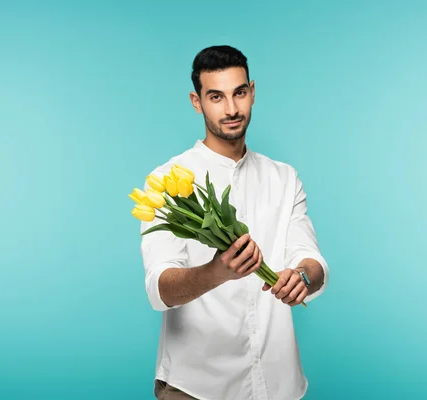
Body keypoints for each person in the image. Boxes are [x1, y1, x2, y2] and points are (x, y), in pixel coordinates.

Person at [139, 45, 329, 400]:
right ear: (197, 102)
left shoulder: (284, 178)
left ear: (252, 92)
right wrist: (217, 271)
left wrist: (301, 277)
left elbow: (310, 259)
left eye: (239, 93)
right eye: (216, 97)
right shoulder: (166, 180)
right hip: (195, 389)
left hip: (279, 385)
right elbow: (159, 288)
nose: (231, 109)